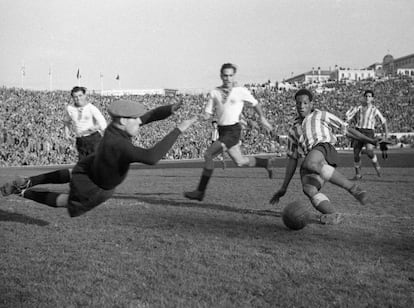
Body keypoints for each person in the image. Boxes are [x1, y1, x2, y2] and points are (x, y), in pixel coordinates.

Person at [1, 100, 197, 217]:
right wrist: (179, 129)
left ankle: (30, 181)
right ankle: (22, 192)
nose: (140, 121)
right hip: (96, 186)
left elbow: (150, 116)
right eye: (135, 118)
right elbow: (152, 157)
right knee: (66, 201)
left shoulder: (117, 127)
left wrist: (172, 108)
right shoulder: (119, 144)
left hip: (91, 168)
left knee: (70, 174)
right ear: (123, 120)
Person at [270, 89, 380, 225]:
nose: (301, 106)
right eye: (298, 103)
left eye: (305, 103)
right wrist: (284, 187)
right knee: (309, 189)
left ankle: (354, 188)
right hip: (311, 157)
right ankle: (333, 214)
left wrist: (371, 140)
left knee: (310, 163)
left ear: (311, 104)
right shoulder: (293, 129)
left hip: (324, 148)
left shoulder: (321, 115)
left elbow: (346, 129)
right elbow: (293, 159)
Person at [184, 63, 274, 202]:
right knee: (240, 161)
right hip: (223, 131)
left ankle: (200, 192)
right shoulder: (215, 92)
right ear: (221, 76)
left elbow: (255, 104)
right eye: (225, 75)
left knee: (208, 154)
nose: (228, 78)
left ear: (234, 76)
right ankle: (265, 163)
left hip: (233, 130)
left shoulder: (240, 91)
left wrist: (262, 117)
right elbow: (208, 113)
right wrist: (198, 117)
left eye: (230, 75)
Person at [345, 90, 388, 179]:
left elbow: (383, 122)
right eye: (366, 96)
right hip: (359, 131)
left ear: (372, 98)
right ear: (364, 97)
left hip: (369, 132)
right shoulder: (359, 108)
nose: (367, 98)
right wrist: (348, 117)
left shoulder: (374, 109)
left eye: (369, 96)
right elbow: (348, 117)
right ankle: (358, 174)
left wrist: (386, 135)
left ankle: (377, 167)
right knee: (356, 153)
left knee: (369, 151)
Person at [64, 86, 107, 161]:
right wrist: (67, 133)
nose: (78, 98)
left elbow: (103, 122)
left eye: (80, 95)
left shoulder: (91, 108)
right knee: (83, 164)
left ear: (85, 95)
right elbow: (67, 121)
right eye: (75, 97)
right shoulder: (70, 109)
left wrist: (96, 127)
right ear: (72, 98)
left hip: (93, 138)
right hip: (80, 139)